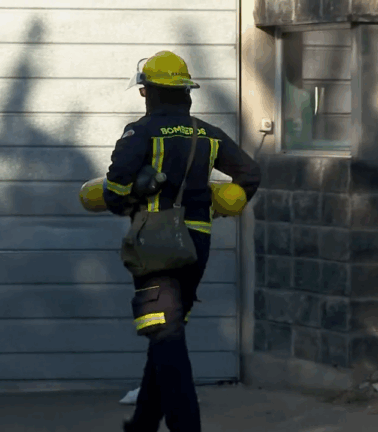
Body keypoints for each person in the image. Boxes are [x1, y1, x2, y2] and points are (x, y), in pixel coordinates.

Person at [103, 51, 261, 432]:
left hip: (157, 246)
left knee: (166, 335)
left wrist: (134, 188)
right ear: (187, 93)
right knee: (165, 330)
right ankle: (141, 424)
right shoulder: (207, 133)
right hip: (197, 244)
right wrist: (226, 203)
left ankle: (185, 426)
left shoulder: (139, 133)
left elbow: (113, 193)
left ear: (148, 93)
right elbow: (250, 174)